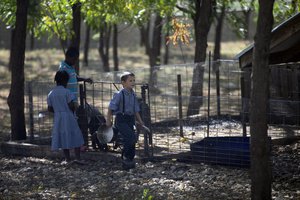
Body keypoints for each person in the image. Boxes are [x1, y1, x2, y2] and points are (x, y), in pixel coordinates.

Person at [106, 71, 144, 170]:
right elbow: (111, 107)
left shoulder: (133, 94)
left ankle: (130, 159)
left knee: (132, 139)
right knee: (130, 137)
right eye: (130, 80)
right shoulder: (119, 94)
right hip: (121, 119)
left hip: (130, 119)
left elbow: (136, 110)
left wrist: (140, 121)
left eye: (134, 80)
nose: (133, 82)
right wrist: (108, 120)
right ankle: (125, 157)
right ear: (123, 83)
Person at [47, 70, 85, 164]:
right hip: (68, 116)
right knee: (75, 134)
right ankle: (78, 158)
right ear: (66, 81)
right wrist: (73, 111)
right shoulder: (67, 92)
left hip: (58, 118)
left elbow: (49, 108)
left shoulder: (51, 94)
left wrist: (57, 111)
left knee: (63, 135)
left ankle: (67, 159)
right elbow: (71, 105)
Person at [59, 46, 92, 151]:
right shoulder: (63, 68)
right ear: (68, 57)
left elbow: (75, 77)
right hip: (68, 101)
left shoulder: (71, 67)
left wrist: (84, 79)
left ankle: (74, 145)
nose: (75, 62)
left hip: (74, 100)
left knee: (73, 122)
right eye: (74, 59)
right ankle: (73, 145)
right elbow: (61, 84)